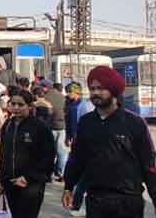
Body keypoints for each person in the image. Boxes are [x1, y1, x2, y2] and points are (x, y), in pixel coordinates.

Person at [63, 66, 156, 218]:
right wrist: (68, 186)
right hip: (96, 200)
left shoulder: (134, 122)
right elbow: (76, 157)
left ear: (114, 90)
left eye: (101, 88)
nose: (95, 92)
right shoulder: (86, 122)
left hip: (128, 201)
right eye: (92, 88)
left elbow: (149, 163)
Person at [0, 89, 56, 218]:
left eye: (21, 104)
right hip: (10, 183)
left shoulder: (40, 127)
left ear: (30, 106)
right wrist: (3, 179)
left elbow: (48, 158)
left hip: (31, 186)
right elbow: (3, 153)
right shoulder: (7, 125)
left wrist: (29, 178)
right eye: (13, 104)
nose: (16, 107)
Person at [63, 82, 94, 217]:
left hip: (83, 144)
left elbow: (82, 126)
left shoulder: (84, 106)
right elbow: (70, 123)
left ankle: (76, 204)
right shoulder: (72, 105)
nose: (69, 95)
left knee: (84, 176)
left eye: (70, 92)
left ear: (77, 93)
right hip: (78, 144)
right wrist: (69, 136)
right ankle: (76, 204)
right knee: (83, 176)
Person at [41, 79, 67, 182]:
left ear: (46, 87)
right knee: (62, 152)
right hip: (62, 127)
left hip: (50, 127)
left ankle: (50, 174)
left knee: (49, 152)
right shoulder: (62, 96)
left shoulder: (45, 98)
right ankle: (61, 173)